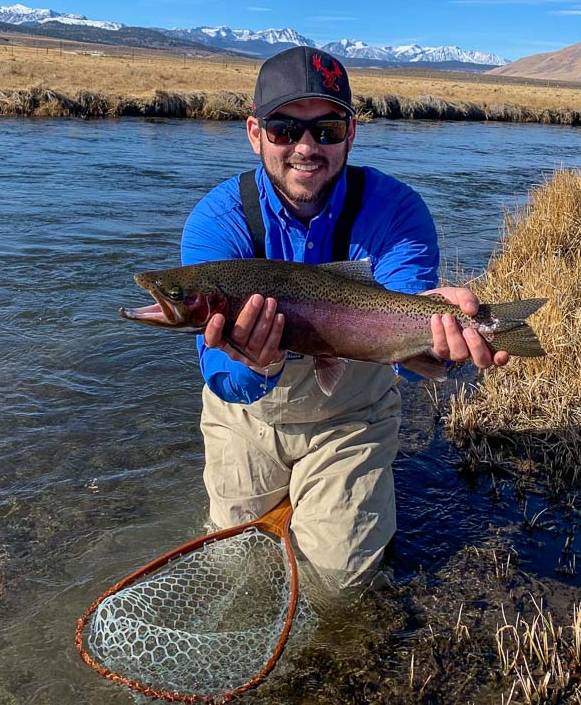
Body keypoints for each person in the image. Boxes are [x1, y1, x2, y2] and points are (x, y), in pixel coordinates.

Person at [180, 46, 509, 590]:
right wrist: (252, 363)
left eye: (327, 129)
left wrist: (441, 344)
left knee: (341, 582)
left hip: (350, 418)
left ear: (351, 133)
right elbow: (223, 380)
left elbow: (403, 332)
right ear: (254, 132)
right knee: (235, 566)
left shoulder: (398, 213)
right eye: (285, 129)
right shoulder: (219, 221)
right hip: (247, 419)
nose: (306, 147)